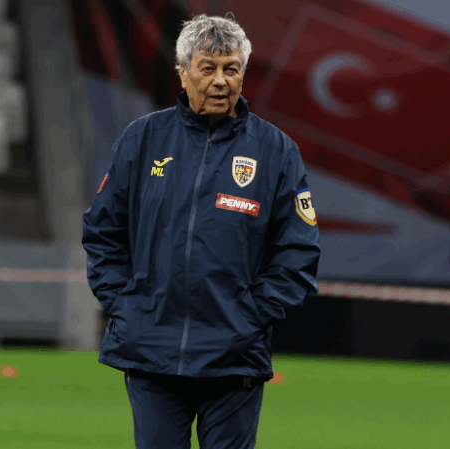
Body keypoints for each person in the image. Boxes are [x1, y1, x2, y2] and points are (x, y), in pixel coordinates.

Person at [82, 14, 320, 449]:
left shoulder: (276, 152)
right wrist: (126, 306)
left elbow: (298, 251)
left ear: (243, 74)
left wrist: (250, 317)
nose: (220, 81)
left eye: (232, 69)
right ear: (183, 72)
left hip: (234, 358)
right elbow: (102, 232)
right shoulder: (142, 140)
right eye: (208, 68)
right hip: (150, 351)